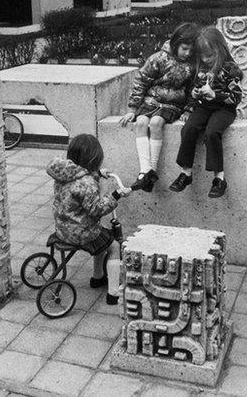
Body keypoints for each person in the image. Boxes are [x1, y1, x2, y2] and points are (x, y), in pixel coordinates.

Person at [48, 134, 132, 297]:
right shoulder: (87, 183)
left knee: (103, 242)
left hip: (63, 228)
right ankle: (113, 292)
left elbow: (79, 180)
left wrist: (98, 173)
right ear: (94, 159)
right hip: (81, 232)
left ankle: (98, 277)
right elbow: (97, 209)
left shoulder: (64, 173)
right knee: (114, 246)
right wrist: (115, 195)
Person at [119, 22, 199, 192]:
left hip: (172, 104)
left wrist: (188, 109)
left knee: (155, 123)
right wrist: (132, 109)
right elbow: (142, 80)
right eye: (184, 48)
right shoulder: (158, 58)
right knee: (140, 123)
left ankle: (151, 171)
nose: (188, 53)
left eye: (191, 50)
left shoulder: (191, 65)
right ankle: (144, 172)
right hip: (150, 101)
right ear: (176, 44)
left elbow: (193, 89)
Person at [170, 27, 243, 198]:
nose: (205, 59)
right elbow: (195, 89)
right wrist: (194, 97)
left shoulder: (230, 69)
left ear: (220, 50)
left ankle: (219, 178)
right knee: (188, 129)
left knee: (212, 132)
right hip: (204, 107)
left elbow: (236, 97)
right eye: (202, 55)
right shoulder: (201, 68)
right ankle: (186, 172)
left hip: (224, 109)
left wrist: (215, 95)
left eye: (209, 55)